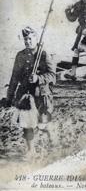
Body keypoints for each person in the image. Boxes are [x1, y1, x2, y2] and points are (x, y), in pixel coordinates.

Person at [5, 27, 56, 157]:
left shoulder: (44, 54)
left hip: (41, 94)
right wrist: (9, 97)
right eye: (25, 39)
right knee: (27, 124)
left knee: (43, 123)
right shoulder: (20, 55)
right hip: (26, 94)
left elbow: (52, 76)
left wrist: (38, 78)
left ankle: (52, 139)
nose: (28, 41)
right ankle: (30, 150)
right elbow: (14, 78)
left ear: (36, 38)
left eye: (30, 38)